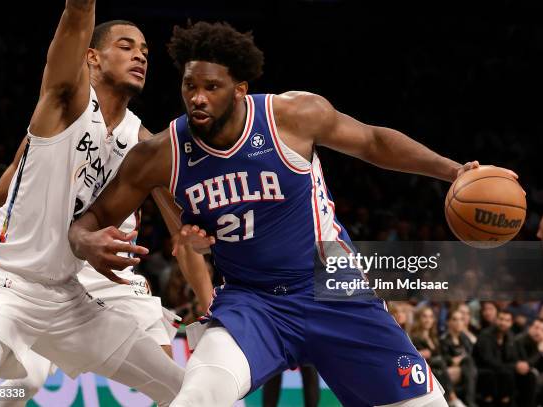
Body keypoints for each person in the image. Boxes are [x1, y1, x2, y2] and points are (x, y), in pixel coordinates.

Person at [68, 21, 516, 407]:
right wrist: (86, 241)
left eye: (211, 87)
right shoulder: (161, 154)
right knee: (199, 394)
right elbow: (89, 221)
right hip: (253, 301)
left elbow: (375, 143)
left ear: (240, 89)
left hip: (332, 288)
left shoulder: (292, 116)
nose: (198, 98)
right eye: (190, 86)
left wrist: (455, 170)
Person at [0, 2, 208, 405]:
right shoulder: (64, 102)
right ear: (92, 56)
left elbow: (183, 234)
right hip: (7, 287)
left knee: (189, 392)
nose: (140, 55)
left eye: (144, 50)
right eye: (126, 46)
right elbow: (76, 13)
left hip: (71, 298)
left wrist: (211, 307)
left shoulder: (143, 145)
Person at [473, 310, 535, 407]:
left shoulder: (510, 336)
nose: (503, 323)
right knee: (505, 374)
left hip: (504, 369)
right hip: (485, 369)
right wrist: (514, 366)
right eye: (501, 319)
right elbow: (488, 360)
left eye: (507, 320)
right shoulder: (485, 335)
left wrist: (521, 365)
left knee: (530, 375)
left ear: (511, 323)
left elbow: (516, 357)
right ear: (495, 320)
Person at [441, 310, 477, 407]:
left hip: (465, 367)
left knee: (468, 362)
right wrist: (452, 360)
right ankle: (469, 401)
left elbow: (471, 351)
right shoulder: (444, 339)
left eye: (461, 319)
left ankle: (469, 401)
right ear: (448, 322)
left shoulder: (464, 338)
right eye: (455, 319)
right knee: (468, 364)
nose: (458, 322)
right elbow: (443, 357)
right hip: (450, 368)